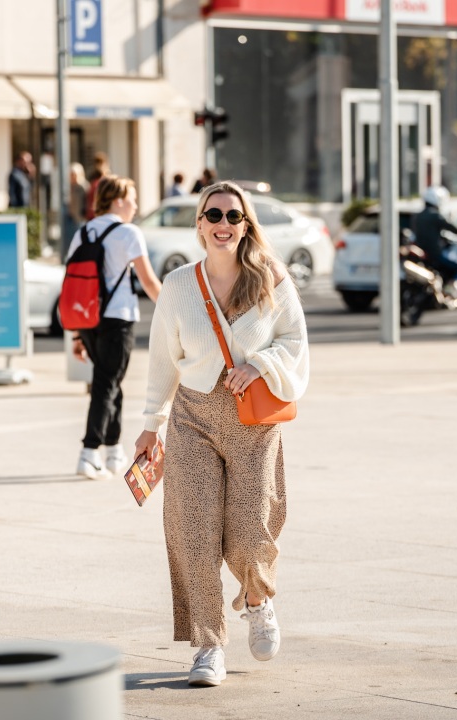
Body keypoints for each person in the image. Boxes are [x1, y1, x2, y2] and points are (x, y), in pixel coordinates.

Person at [134, 181, 309, 687]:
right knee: (192, 531)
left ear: (246, 225)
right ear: (199, 224)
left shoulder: (271, 278)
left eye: (234, 216)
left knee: (252, 530)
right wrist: (152, 425)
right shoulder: (178, 285)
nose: (223, 224)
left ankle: (257, 599)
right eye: (214, 215)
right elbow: (163, 361)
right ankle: (208, 646)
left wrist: (260, 364)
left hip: (253, 422)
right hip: (193, 416)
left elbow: (295, 340)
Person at [67, 176, 162, 479]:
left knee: (110, 382)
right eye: (132, 199)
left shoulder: (83, 232)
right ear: (118, 199)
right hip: (118, 318)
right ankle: (88, 452)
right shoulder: (128, 232)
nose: (135, 206)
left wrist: (76, 335)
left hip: (87, 319)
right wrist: (176, 309)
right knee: (106, 384)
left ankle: (112, 451)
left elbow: (73, 281)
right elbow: (148, 281)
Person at [414, 186, 457, 296]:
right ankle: (449, 290)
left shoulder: (418, 215)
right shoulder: (435, 215)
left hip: (423, 252)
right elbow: (453, 228)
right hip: (436, 253)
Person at [85, 152, 110, 220]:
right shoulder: (93, 179)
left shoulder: (107, 181)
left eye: (101, 163)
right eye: (97, 163)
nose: (99, 167)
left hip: (101, 215)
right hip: (93, 214)